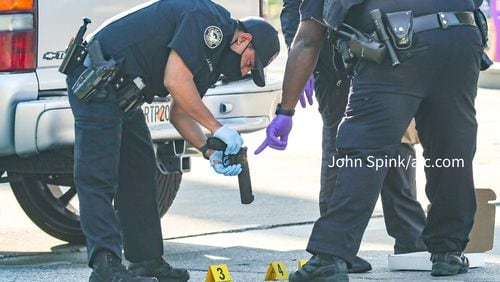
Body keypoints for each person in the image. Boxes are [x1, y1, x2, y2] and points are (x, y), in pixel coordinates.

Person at [258, 0, 482, 280]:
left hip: (395, 46)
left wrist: (285, 111)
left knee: (364, 153)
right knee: (451, 150)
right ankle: (448, 252)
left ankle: (331, 254)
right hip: (462, 37)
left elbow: (306, 40)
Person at [64, 0, 280, 281]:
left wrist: (206, 149)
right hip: (95, 77)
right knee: (99, 175)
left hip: (120, 89)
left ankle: (146, 261)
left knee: (140, 171)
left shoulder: (213, 61)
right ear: (243, 40)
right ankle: (105, 268)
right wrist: (218, 128)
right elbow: (175, 81)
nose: (245, 72)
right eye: (250, 63)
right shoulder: (208, 23)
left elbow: (179, 113)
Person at [277, 0, 427, 274]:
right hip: (336, 63)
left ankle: (410, 238)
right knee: (342, 148)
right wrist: (299, 60)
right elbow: (293, 10)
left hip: (386, 57)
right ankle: (334, 250)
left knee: (399, 146)